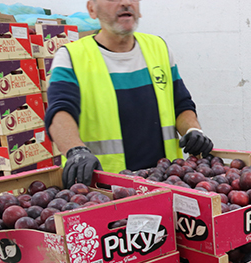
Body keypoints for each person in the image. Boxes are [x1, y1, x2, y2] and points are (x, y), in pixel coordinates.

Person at [45, 0, 214, 188]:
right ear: (92, 9)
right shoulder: (71, 58)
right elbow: (59, 113)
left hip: (167, 183)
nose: (125, 2)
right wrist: (75, 150)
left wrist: (192, 130)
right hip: (105, 190)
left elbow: (181, 104)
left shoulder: (159, 48)